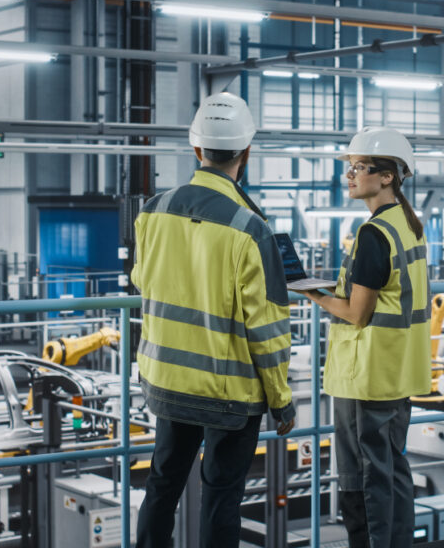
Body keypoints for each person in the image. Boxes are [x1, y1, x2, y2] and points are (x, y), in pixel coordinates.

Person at [131, 92, 296, 548]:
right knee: (221, 496)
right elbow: (266, 328)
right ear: (247, 152)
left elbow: (143, 278)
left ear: (197, 149)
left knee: (162, 486)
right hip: (228, 394)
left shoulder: (153, 211)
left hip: (167, 379)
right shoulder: (250, 228)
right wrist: (281, 401)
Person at [300, 126, 431, 548]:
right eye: (350, 167)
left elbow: (358, 313)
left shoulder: (374, 234)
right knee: (392, 467)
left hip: (366, 373)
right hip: (397, 367)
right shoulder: (407, 225)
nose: (349, 176)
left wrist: (312, 293)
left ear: (388, 175)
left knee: (364, 474)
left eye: (358, 167)